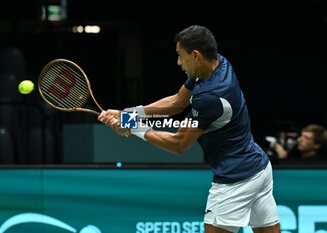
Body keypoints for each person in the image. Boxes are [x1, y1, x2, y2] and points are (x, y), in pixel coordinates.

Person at [99, 25, 281, 233]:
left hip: (235, 179)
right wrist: (127, 114)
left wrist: (134, 127)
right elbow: (177, 102)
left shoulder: (210, 97)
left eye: (180, 55)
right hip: (258, 167)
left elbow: (179, 143)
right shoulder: (217, 64)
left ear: (195, 56)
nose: (178, 62)